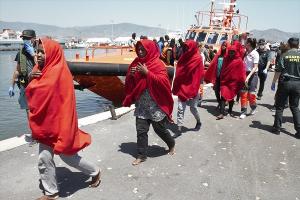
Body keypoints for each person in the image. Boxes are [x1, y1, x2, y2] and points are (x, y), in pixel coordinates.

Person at [26, 38, 101, 199]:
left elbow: (67, 103)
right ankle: (51, 192)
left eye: (42, 52)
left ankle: (95, 171)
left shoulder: (61, 73)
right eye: (37, 51)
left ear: (51, 53)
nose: (38, 55)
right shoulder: (39, 69)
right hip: (45, 124)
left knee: (69, 157)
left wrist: (67, 127)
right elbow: (32, 94)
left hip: (60, 124)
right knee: (44, 158)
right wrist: (31, 77)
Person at [123, 39, 175, 166]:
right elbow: (131, 83)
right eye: (138, 49)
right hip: (142, 105)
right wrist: (131, 75)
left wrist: (147, 73)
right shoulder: (136, 63)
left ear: (149, 49)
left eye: (143, 49)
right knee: (141, 130)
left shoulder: (158, 64)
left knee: (160, 130)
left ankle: (171, 143)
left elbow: (164, 83)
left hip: (156, 105)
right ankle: (141, 155)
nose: (140, 52)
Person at [8, 29, 37, 143]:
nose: (25, 40)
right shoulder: (20, 53)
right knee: (28, 111)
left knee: (38, 111)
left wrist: (33, 54)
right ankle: (35, 135)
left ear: (34, 39)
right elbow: (17, 71)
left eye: (27, 38)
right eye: (24, 38)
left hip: (37, 86)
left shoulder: (39, 51)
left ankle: (41, 134)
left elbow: (44, 67)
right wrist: (12, 86)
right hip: (25, 86)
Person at [172, 40, 204, 135]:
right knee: (181, 108)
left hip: (193, 87)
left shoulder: (198, 58)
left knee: (193, 108)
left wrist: (198, 87)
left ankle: (198, 121)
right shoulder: (183, 57)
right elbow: (179, 71)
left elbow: (200, 74)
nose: (186, 49)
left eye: (187, 47)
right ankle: (179, 128)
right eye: (185, 47)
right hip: (183, 87)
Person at [271, 37, 300, 138]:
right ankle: (299, 130)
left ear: (289, 44)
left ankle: (277, 128)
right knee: (295, 107)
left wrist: (273, 82)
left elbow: (278, 70)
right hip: (297, 84)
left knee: (280, 106)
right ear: (298, 45)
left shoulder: (284, 55)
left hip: (285, 83)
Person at [216, 44, 246, 119]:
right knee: (223, 96)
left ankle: (230, 110)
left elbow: (242, 72)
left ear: (235, 52)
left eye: (232, 52)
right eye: (230, 52)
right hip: (225, 81)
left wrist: (243, 81)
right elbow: (223, 69)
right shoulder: (226, 59)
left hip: (233, 83)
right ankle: (222, 113)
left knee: (231, 97)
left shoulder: (239, 60)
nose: (231, 54)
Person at [204, 41, 229, 108]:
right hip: (218, 76)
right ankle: (220, 102)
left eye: (225, 45)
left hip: (225, 77)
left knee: (223, 92)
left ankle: (222, 108)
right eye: (223, 45)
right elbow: (214, 64)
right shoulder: (219, 55)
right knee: (216, 90)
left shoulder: (228, 56)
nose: (224, 46)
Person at [239, 38, 259, 119]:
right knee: (243, 94)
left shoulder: (255, 53)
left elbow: (255, 67)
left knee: (251, 94)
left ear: (249, 44)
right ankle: (243, 111)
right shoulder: (245, 52)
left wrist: (248, 77)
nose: (245, 43)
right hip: (244, 73)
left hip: (253, 74)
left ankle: (253, 107)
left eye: (246, 42)